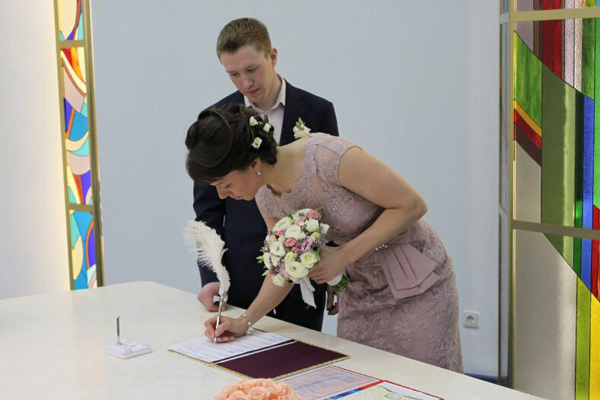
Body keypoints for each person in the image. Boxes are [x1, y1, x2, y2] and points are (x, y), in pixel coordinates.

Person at [185, 105, 463, 372]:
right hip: (360, 292)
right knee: (364, 382)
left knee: (424, 385)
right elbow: (283, 269)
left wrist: (342, 256)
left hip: (417, 283)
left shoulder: (328, 156)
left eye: (225, 184)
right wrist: (244, 321)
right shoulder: (266, 197)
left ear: (254, 163)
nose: (221, 195)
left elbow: (412, 205)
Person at [193, 18, 339, 332]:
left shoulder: (318, 111)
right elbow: (207, 209)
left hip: (305, 269)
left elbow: (332, 196)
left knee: (304, 355)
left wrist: (336, 274)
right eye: (233, 74)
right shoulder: (216, 120)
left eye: (252, 69)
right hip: (241, 273)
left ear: (272, 56)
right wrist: (211, 276)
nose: (245, 82)